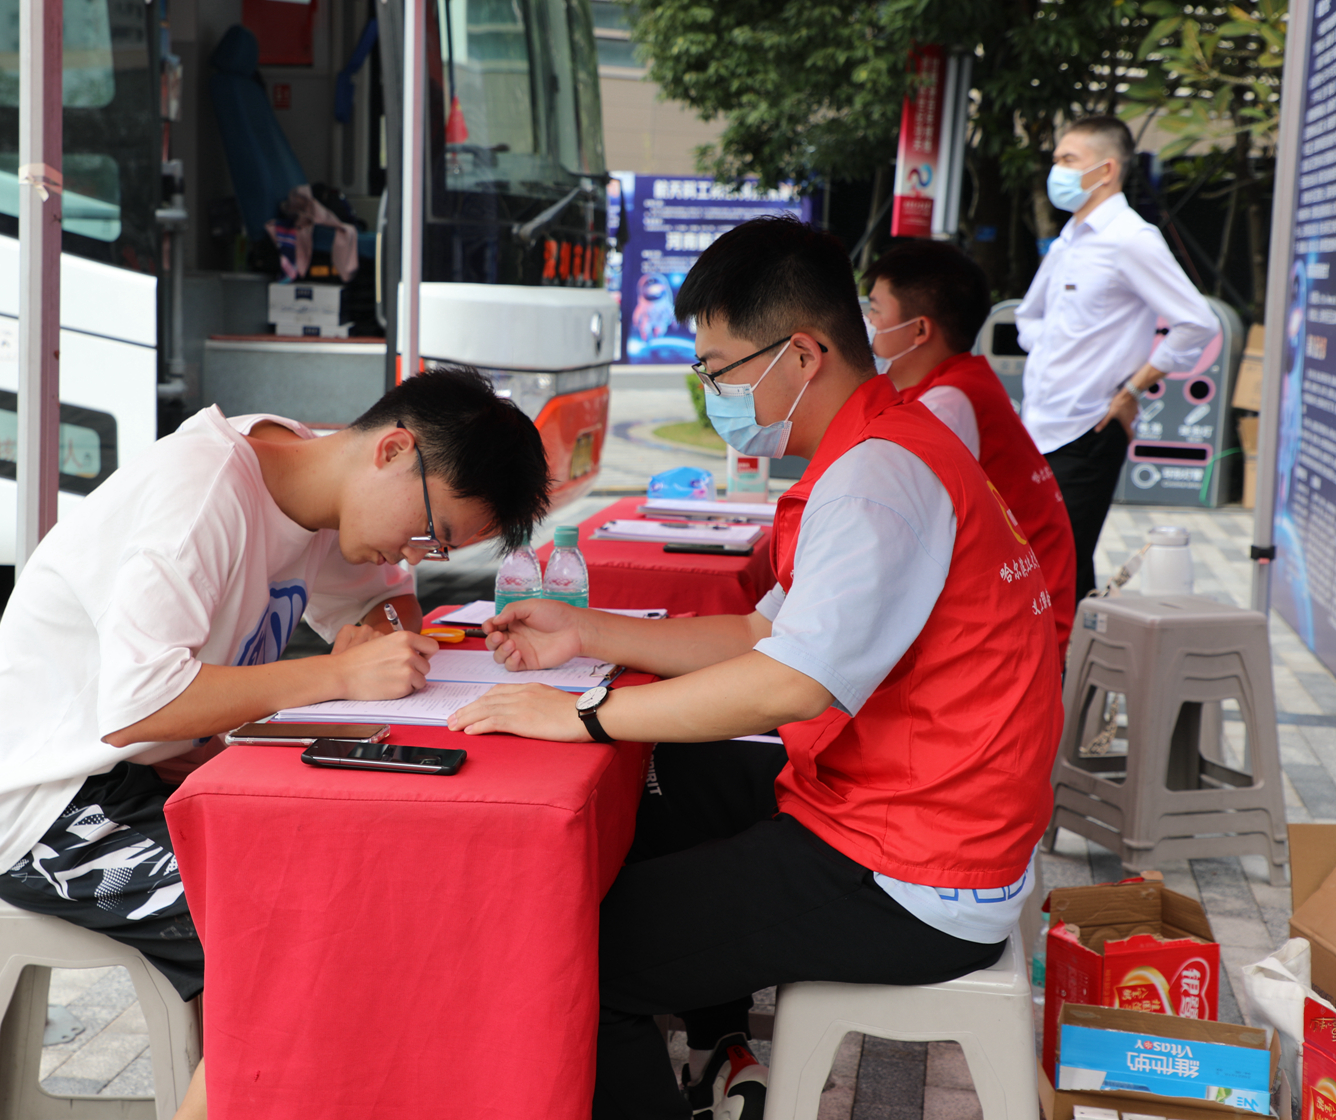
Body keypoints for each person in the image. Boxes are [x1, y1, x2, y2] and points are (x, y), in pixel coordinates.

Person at [445, 216, 1063, 1120]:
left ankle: (660, 1062)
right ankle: (721, 1050)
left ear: (802, 354)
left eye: (721, 367)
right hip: (913, 810)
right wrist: (585, 633)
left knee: (574, 950)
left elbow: (787, 686)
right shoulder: (882, 446)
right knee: (667, 782)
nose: (712, 390)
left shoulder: (878, 479)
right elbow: (755, 636)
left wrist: (579, 717)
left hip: (917, 870)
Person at [0, 366, 551, 1120]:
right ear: (395, 449)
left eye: (441, 549)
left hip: (161, 772)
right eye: (434, 531)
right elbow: (137, 706)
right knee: (303, 942)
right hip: (51, 809)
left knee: (366, 881)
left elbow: (379, 598)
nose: (419, 551)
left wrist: (394, 644)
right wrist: (336, 674)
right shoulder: (203, 493)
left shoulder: (312, 488)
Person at [1016, 114, 1219, 604]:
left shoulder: (1130, 237)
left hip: (1090, 427)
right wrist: (1058, 351)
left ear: (1105, 170)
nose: (1057, 170)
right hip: (1040, 422)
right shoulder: (1070, 236)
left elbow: (1198, 321)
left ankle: (1069, 676)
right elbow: (1027, 316)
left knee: (1060, 567)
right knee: (1044, 564)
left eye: (1068, 160)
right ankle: (1070, 674)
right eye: (1056, 159)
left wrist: (1133, 386)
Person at [863, 239, 1078, 656]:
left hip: (1014, 630)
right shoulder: (960, 384)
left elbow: (900, 527)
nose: (867, 323)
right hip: (1021, 608)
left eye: (874, 309)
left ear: (920, 330)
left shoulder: (947, 405)